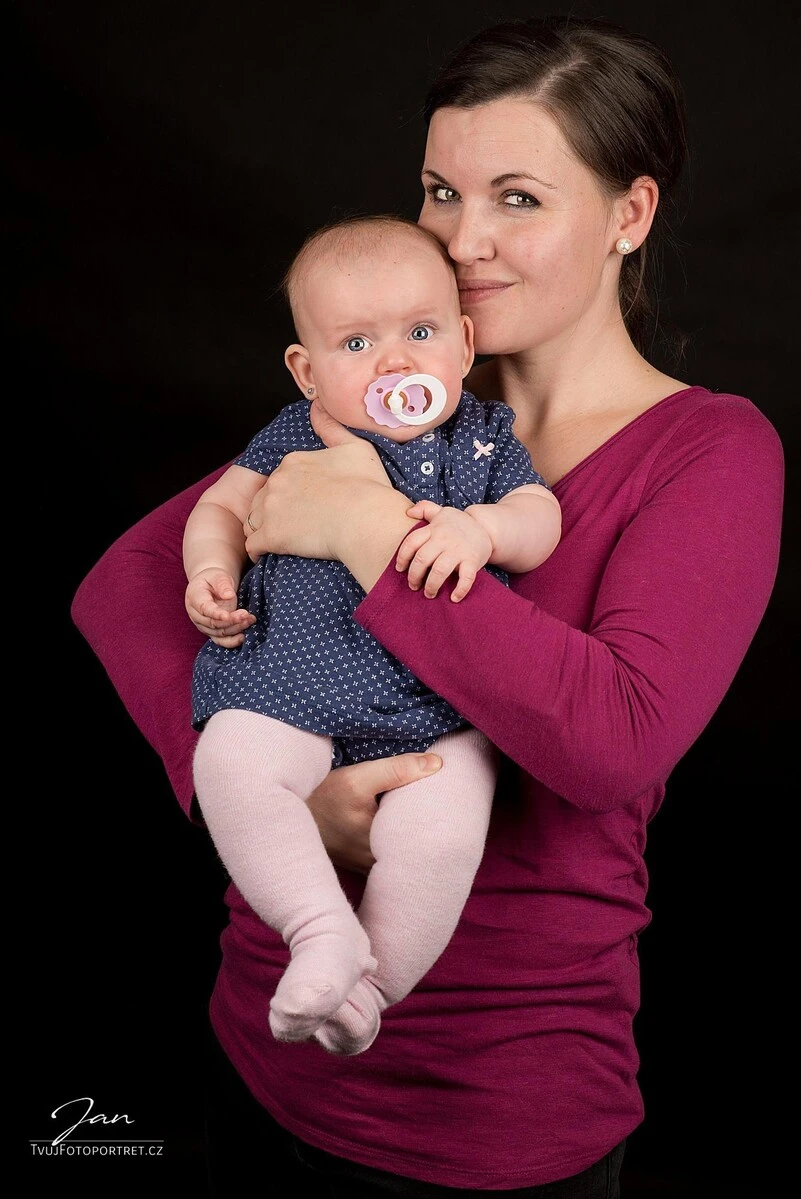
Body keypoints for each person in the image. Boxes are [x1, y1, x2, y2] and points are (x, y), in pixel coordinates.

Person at [71, 13, 784, 1197]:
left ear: (630, 214)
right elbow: (125, 583)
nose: (460, 241)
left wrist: (369, 535)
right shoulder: (394, 388)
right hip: (260, 1037)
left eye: (517, 199)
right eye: (441, 192)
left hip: (493, 1111)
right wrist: (273, 795)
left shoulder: (708, 451)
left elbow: (613, 737)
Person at [184, 214, 560, 1056]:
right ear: (306, 370)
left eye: (420, 333)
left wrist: (484, 531)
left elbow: (540, 517)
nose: (395, 363)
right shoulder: (297, 433)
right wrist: (208, 567)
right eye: (357, 344)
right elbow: (221, 506)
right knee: (229, 763)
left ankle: (370, 987)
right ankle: (320, 929)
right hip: (292, 684)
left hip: (438, 704)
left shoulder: (484, 439)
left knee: (442, 834)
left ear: (463, 343)